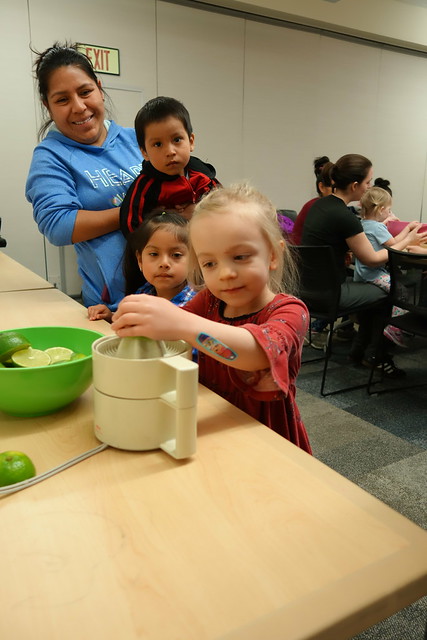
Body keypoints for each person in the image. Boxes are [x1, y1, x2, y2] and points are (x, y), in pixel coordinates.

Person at [112, 183, 312, 453]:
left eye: (240, 257)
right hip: (213, 426)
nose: (225, 273)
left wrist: (181, 323)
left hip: (267, 440)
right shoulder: (210, 301)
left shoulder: (289, 312)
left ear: (273, 255)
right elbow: (172, 334)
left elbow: (258, 354)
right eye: (209, 263)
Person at [26, 43, 142, 311]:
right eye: (62, 99)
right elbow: (59, 225)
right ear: (48, 106)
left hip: (177, 293)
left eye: (85, 91)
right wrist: (135, 210)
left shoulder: (137, 139)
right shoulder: (51, 155)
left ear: (99, 89)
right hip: (112, 306)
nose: (79, 107)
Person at [301, 153, 427, 378]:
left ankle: (360, 351)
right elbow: (372, 259)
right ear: (355, 185)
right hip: (332, 294)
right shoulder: (344, 216)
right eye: (368, 182)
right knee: (391, 293)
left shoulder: (321, 206)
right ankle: (376, 356)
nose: (369, 187)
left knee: (377, 293)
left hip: (310, 290)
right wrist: (407, 241)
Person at [120, 96, 221, 238]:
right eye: (158, 144)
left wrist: (199, 210)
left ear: (191, 141)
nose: (170, 151)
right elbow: (131, 226)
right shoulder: (145, 186)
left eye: (177, 140)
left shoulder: (203, 173)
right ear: (144, 152)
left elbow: (224, 205)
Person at [88, 209, 196, 322]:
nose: (164, 263)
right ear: (140, 260)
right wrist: (110, 317)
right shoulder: (144, 292)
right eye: (154, 254)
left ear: (193, 260)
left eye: (176, 255)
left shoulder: (197, 304)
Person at [354, 186, 425, 346]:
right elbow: (394, 246)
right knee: (402, 290)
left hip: (362, 274)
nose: (390, 214)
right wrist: (410, 236)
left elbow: (392, 242)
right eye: (389, 210)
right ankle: (395, 328)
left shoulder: (364, 224)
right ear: (380, 209)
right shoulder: (378, 227)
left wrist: (406, 229)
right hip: (373, 275)